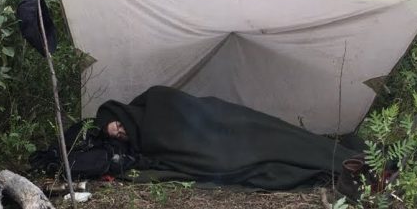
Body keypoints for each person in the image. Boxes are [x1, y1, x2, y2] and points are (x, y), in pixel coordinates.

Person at [88, 86, 369, 192]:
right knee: (269, 157)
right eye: (119, 136)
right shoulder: (141, 146)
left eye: (119, 126)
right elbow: (179, 153)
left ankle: (347, 158)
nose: (123, 132)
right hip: (221, 150)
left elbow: (190, 109)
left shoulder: (155, 98)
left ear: (120, 112)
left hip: (228, 121)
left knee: (279, 135)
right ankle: (343, 164)